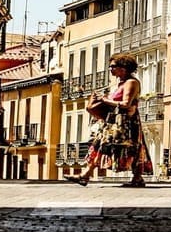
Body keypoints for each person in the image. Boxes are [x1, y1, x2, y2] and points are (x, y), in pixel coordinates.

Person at [64, 52, 153, 188]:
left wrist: (104, 100)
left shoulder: (131, 83)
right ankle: (85, 175)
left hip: (126, 123)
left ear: (123, 68)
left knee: (131, 148)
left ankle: (137, 178)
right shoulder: (120, 84)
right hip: (113, 123)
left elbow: (126, 104)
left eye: (112, 66)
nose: (110, 69)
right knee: (100, 145)